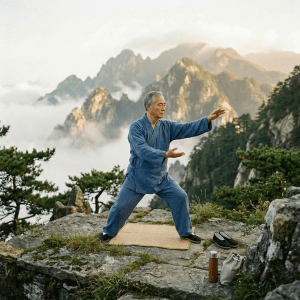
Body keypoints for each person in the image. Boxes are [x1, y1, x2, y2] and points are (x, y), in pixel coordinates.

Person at [100, 91, 225, 243]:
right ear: (149, 106)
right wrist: (164, 154)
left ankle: (185, 231)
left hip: (160, 176)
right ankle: (109, 232)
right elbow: (141, 149)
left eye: (164, 105)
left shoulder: (166, 126)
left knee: (180, 197)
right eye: (160, 105)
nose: (163, 108)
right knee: (119, 207)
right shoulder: (136, 127)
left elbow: (186, 128)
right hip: (137, 177)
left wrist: (206, 120)